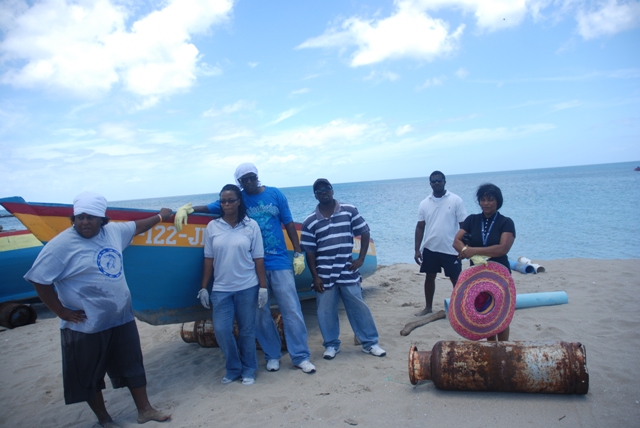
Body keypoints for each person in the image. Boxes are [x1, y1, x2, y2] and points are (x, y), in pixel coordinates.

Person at [24, 192, 171, 428]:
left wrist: (161, 217)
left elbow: (137, 226)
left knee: (132, 365)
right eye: (80, 217)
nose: (85, 222)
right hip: (85, 324)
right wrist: (60, 311)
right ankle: (104, 419)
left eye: (91, 217)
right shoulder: (61, 245)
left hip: (121, 318)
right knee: (89, 374)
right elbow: (39, 279)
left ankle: (145, 410)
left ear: (103, 219)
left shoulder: (113, 232)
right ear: (73, 219)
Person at [174, 163, 316, 374]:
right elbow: (215, 206)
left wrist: (297, 253)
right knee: (260, 314)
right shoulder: (237, 199)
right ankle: (272, 354)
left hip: (278, 261)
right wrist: (188, 209)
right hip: (251, 266)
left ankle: (301, 356)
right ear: (239, 182)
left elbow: (288, 223)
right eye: (244, 180)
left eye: (251, 178)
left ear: (257, 176)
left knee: (292, 309)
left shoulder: (275, 194)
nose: (248, 182)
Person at [301, 179, 386, 360]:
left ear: (332, 190)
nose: (323, 192)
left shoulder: (349, 210)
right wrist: (315, 276)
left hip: (347, 269)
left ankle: (370, 343)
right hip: (324, 273)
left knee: (358, 307)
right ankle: (331, 345)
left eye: (326, 189)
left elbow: (364, 232)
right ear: (315, 195)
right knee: (325, 311)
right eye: (319, 191)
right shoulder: (309, 221)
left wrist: (361, 258)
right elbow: (309, 251)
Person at [197, 184, 268, 385]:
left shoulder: (251, 225)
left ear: (239, 202)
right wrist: (203, 287)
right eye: (223, 201)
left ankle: (248, 369)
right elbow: (208, 259)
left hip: (247, 286)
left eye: (230, 200)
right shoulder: (212, 226)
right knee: (221, 330)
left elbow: (259, 258)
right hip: (221, 289)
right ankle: (233, 367)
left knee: (247, 330)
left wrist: (263, 287)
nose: (226, 204)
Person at [453, 183, 516, 341]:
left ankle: (502, 349)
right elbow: (457, 241)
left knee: (500, 314)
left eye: (490, 199)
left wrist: (474, 250)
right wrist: (464, 251)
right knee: (484, 312)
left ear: (498, 201)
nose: (486, 203)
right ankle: (490, 348)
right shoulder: (472, 220)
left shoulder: (506, 222)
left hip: (500, 274)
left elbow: (502, 248)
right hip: (478, 274)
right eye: (483, 199)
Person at [413, 171, 468, 316]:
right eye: (433, 181)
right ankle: (428, 307)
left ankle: (461, 308)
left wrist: (464, 248)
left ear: (445, 181)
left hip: (451, 248)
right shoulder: (424, 203)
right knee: (429, 277)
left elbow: (464, 226)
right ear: (430, 183)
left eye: (439, 180)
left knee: (456, 279)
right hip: (431, 248)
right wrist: (417, 249)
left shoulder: (456, 200)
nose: (436, 183)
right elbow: (420, 227)